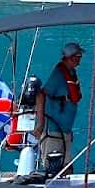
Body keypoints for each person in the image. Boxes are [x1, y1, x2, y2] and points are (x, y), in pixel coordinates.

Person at [34, 42, 84, 173]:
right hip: (53, 131)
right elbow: (40, 96)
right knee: (52, 169)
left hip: (65, 130)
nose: (80, 59)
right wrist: (40, 124)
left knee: (67, 168)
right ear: (71, 57)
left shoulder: (71, 73)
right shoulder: (58, 75)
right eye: (79, 56)